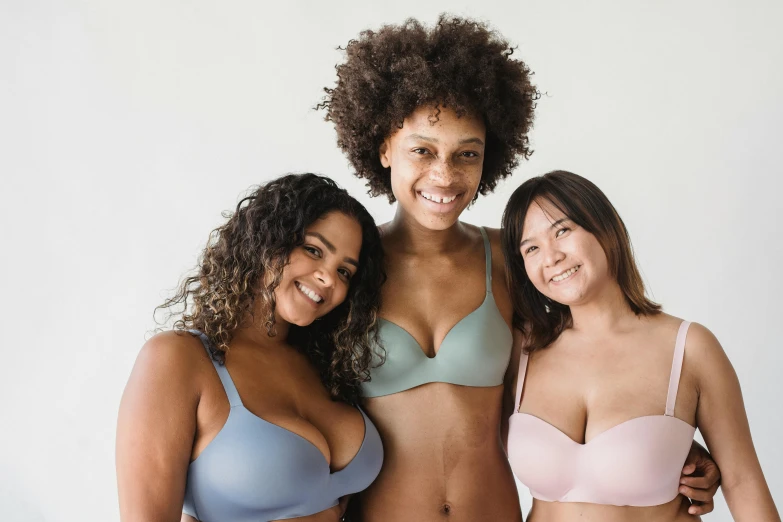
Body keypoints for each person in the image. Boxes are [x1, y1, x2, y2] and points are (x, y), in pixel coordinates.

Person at [320, 15, 721, 522]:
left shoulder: (512, 260)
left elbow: (590, 357)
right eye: (422, 150)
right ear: (383, 148)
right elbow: (286, 380)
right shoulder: (346, 265)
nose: (444, 174)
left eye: (468, 154)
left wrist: (666, 444)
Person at [501, 170, 780, 521]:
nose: (551, 256)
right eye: (531, 248)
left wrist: (665, 443)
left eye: (563, 230)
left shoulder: (689, 348)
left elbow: (742, 483)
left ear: (604, 228)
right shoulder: (520, 349)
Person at [116, 174, 386, 522]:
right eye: (314, 250)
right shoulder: (179, 359)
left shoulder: (328, 367)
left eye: (345, 271)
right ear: (268, 241)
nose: (329, 278)